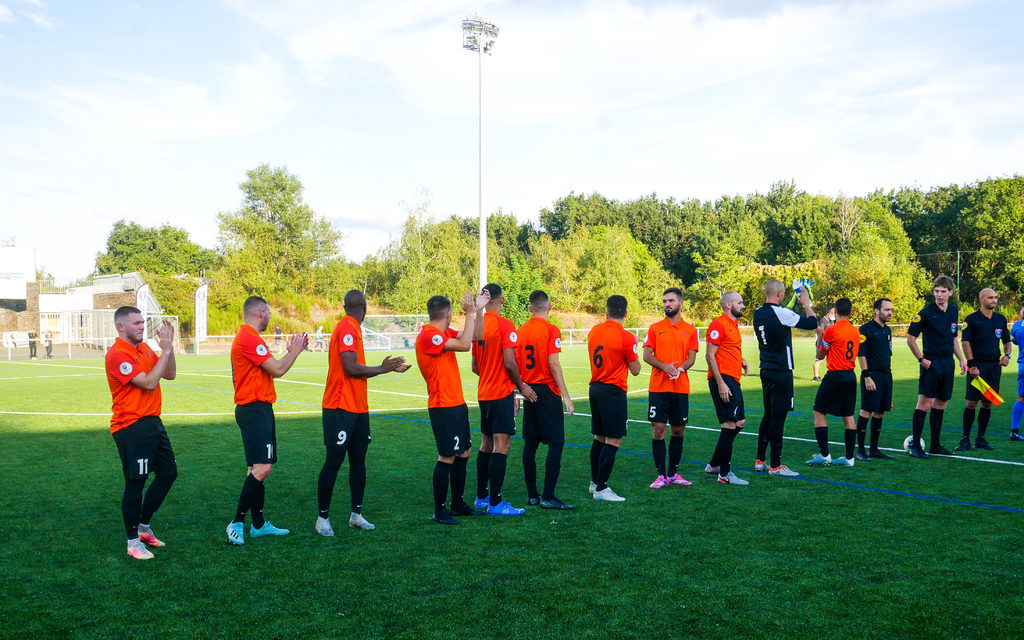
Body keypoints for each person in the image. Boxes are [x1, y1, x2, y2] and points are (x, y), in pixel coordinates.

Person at [316, 290, 410, 536]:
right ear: (365, 307)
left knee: (358, 462)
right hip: (340, 406)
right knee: (334, 462)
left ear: (345, 305)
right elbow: (349, 367)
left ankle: (356, 515)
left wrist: (387, 369)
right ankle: (322, 519)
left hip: (358, 407)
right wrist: (383, 368)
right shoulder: (347, 327)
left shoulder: (352, 327)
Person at [226, 296, 308, 545]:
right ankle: (237, 522)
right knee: (263, 468)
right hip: (254, 409)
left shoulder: (247, 338)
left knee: (255, 470)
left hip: (255, 408)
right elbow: (279, 369)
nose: (271, 317)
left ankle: (258, 524)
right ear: (261, 312)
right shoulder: (248, 337)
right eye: (269, 313)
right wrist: (294, 351)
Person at [105, 306, 178, 560]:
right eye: (136, 323)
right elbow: (148, 383)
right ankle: (133, 542)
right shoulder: (117, 354)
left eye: (142, 322)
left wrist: (170, 347)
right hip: (131, 426)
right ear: (121, 326)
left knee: (169, 472)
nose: (141, 326)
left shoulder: (145, 349)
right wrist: (165, 351)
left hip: (152, 422)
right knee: (136, 482)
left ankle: (144, 527)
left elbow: (169, 374)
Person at [416, 290, 490, 525]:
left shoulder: (443, 332)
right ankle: (440, 510)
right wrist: (468, 313)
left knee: (464, 452)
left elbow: (477, 336)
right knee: (447, 456)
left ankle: (457, 503)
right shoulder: (429, 335)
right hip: (442, 405)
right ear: (448, 314)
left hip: (455, 402)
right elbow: (466, 345)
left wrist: (477, 311)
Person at [471, 283, 538, 516]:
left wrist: (491, 375)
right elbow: (509, 362)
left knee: (486, 444)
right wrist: (521, 388)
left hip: (484, 393)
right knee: (502, 446)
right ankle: (496, 503)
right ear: (501, 300)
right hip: (500, 394)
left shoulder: (477, 326)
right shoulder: (505, 325)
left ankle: (481, 497)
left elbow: (475, 366)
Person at [516, 290, 575, 510]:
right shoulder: (551, 330)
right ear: (548, 307)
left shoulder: (519, 331)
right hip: (547, 391)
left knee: (530, 444)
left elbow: (513, 364)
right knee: (556, 443)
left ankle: (532, 494)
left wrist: (519, 390)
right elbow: (553, 364)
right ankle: (548, 495)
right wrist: (566, 396)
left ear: (530, 308)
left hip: (528, 390)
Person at [752, 279, 817, 477]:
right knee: (778, 418)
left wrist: (793, 303)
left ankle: (760, 460)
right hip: (782, 371)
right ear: (779, 294)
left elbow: (780, 313)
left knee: (768, 414)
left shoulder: (758, 312)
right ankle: (776, 465)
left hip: (766, 369)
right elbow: (812, 323)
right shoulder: (781, 313)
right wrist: (806, 303)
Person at [643, 287, 699, 489]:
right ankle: (661, 475)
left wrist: (680, 369)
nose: (667, 304)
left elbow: (691, 358)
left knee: (678, 432)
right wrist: (665, 367)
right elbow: (647, 355)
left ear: (681, 303)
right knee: (658, 431)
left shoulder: (691, 330)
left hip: (680, 388)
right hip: (658, 387)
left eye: (671, 301)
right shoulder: (655, 328)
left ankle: (673, 474)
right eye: (665, 301)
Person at [906, 275, 968, 458]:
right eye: (936, 291)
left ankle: (935, 445)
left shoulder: (954, 311)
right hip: (931, 364)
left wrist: (961, 360)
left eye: (942, 291)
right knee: (924, 404)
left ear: (950, 292)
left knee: (940, 404)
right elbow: (911, 339)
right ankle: (916, 446)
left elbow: (953, 338)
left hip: (947, 364)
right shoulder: (925, 312)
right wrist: (921, 359)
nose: (939, 295)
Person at [588, 295, 642, 501]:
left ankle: (595, 483)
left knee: (599, 437)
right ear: (626, 314)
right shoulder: (627, 337)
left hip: (595, 387)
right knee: (614, 439)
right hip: (613, 390)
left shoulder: (594, 331)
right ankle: (602, 488)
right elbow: (636, 370)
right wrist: (634, 347)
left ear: (607, 311)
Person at [806, 298, 860, 466]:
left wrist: (821, 335)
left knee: (819, 411)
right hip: (851, 376)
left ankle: (824, 454)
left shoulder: (831, 330)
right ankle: (849, 458)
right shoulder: (856, 331)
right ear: (850, 312)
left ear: (835, 311)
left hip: (835, 375)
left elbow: (820, 355)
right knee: (848, 416)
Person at [705, 292, 750, 485]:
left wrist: (741, 360)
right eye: (739, 302)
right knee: (729, 424)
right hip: (723, 380)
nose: (743, 305)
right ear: (728, 305)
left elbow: (728, 348)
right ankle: (724, 474)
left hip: (733, 379)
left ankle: (715, 464)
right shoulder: (718, 324)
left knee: (740, 423)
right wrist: (721, 383)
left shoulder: (733, 325)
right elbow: (710, 355)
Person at [957, 288, 1011, 451]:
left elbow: (1007, 341)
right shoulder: (971, 319)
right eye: (990, 298)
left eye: (995, 297)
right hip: (977, 367)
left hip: (994, 367)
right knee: (971, 403)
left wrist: (1007, 356)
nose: (994, 300)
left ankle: (981, 438)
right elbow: (965, 343)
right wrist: (972, 365)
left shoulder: (1000, 319)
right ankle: (965, 439)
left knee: (987, 403)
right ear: (981, 300)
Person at [856, 298, 895, 460]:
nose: (890, 313)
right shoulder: (865, 329)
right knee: (866, 410)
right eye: (887, 310)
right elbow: (861, 354)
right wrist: (867, 376)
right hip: (872, 375)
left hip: (886, 375)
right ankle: (861, 451)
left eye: (891, 310)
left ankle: (874, 449)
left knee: (880, 412)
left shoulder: (887, 330)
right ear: (876, 310)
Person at [1010, 305, 1024, 440]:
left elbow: (1014, 340)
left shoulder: (1017, 326)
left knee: (1021, 398)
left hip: (1022, 365)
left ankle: (1014, 430)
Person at [811, 307, 836, 382]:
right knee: (819, 359)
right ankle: (816, 376)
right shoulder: (823, 321)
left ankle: (831, 374)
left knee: (829, 360)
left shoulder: (830, 321)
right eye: (834, 314)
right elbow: (821, 332)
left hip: (828, 343)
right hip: (822, 343)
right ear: (830, 314)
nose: (835, 316)